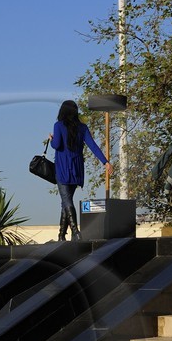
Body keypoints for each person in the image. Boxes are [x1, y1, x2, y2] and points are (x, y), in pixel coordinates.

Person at [50, 100, 109, 242]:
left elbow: (56, 145)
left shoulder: (58, 126)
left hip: (63, 167)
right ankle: (61, 235)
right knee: (65, 200)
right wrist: (105, 161)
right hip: (76, 168)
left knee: (66, 200)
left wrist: (51, 140)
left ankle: (76, 232)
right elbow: (92, 145)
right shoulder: (82, 128)